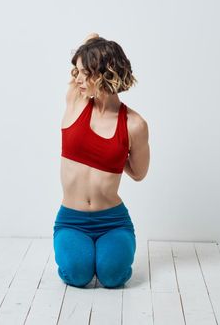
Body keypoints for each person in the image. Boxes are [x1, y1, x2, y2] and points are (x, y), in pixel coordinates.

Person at [52, 33, 150, 289]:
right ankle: (81, 252)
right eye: (78, 71)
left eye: (86, 73)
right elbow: (91, 39)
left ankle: (109, 253)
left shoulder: (134, 125)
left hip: (112, 222)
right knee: (77, 274)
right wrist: (92, 45)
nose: (79, 78)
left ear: (105, 73)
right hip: (71, 220)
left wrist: (116, 152)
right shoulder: (76, 100)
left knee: (113, 277)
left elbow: (139, 174)